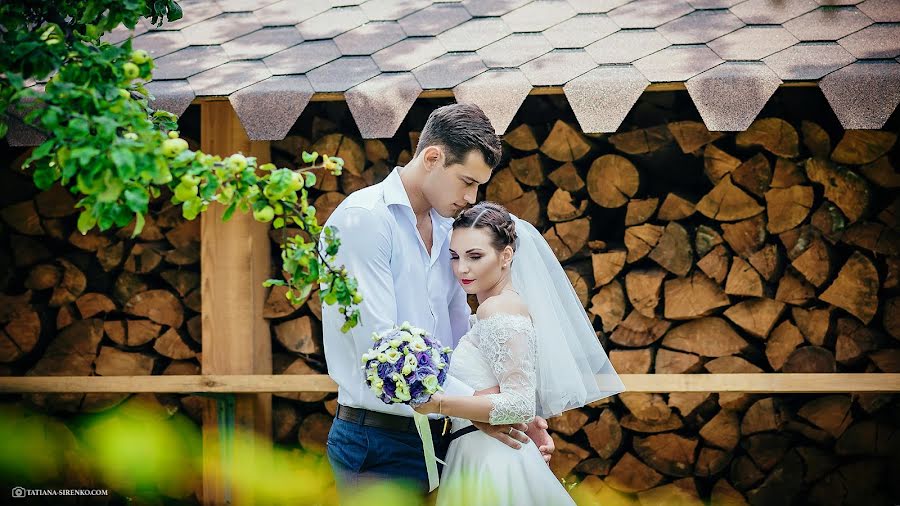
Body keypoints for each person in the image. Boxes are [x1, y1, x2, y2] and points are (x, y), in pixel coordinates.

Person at [320, 104, 554, 498]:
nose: (471, 197)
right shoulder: (363, 220)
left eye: (479, 185)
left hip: (449, 433)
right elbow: (381, 348)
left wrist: (509, 409)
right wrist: (482, 405)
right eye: (466, 181)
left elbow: (460, 326)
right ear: (432, 157)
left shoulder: (449, 229)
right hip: (380, 439)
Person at [414, 202, 625, 506]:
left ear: (506, 255)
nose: (462, 268)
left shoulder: (498, 308)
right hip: (479, 452)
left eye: (475, 256)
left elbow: (519, 402)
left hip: (493, 462)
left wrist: (440, 403)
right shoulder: (499, 307)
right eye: (454, 256)